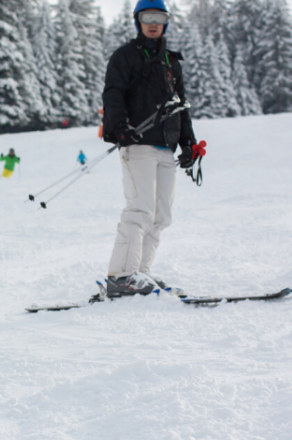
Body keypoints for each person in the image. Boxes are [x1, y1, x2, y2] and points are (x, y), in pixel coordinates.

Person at [101, 0, 197, 297]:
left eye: (159, 17)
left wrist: (189, 142)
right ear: (137, 20)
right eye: (147, 17)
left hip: (165, 145)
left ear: (166, 21)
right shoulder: (125, 57)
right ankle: (121, 276)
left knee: (161, 215)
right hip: (137, 143)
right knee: (140, 209)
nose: (153, 22)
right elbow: (113, 95)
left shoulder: (171, 62)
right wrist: (119, 128)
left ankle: (141, 272)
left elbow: (181, 106)